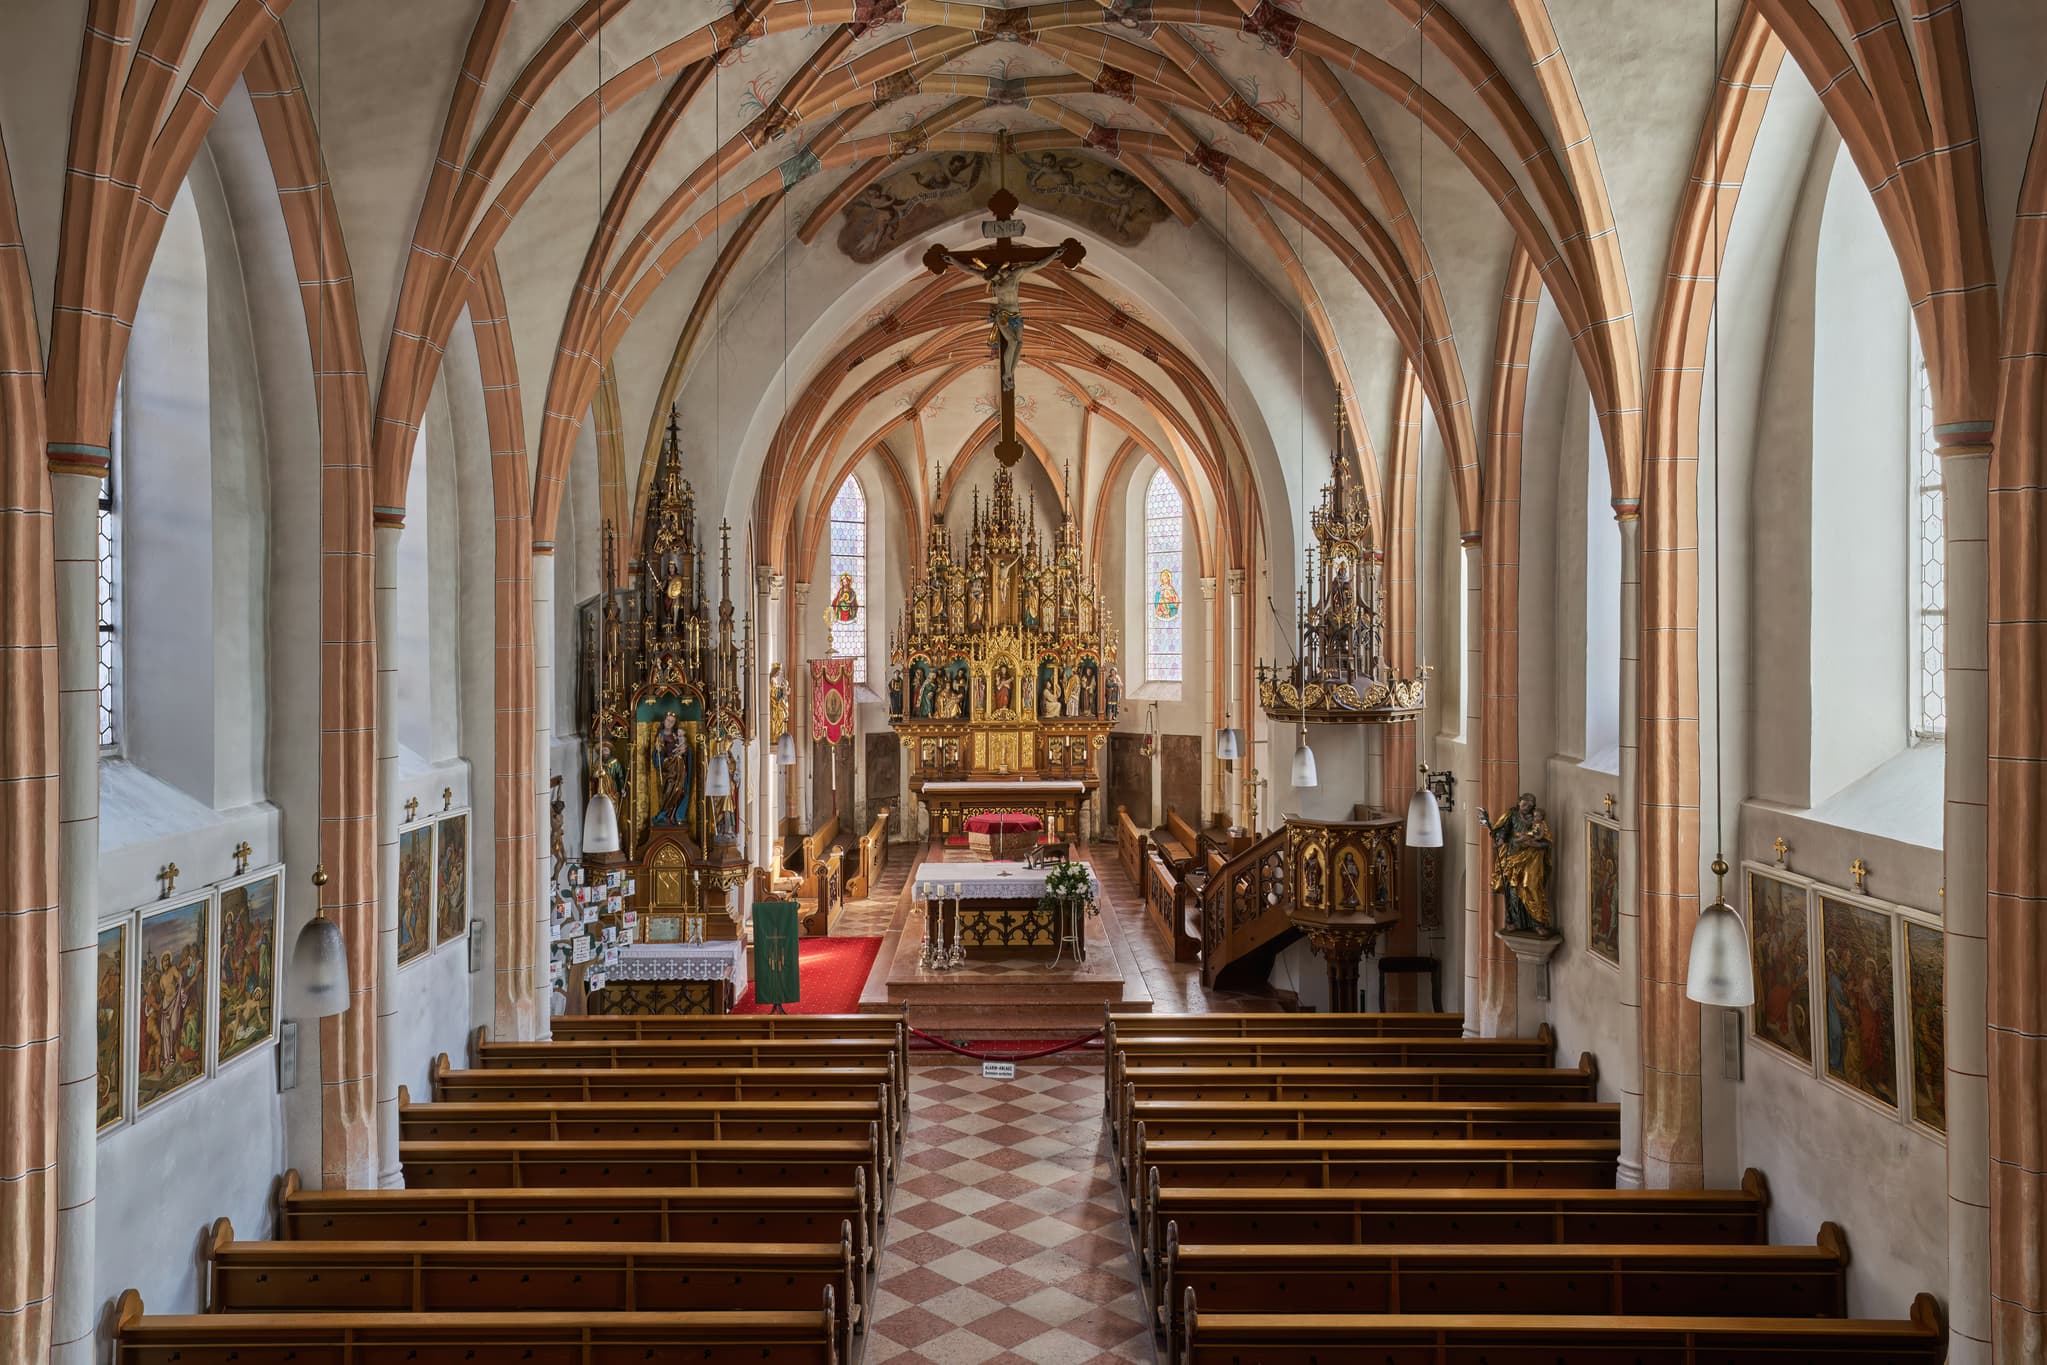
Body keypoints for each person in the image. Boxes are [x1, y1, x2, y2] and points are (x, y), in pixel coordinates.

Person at [1475, 792, 1554, 934]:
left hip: (1531, 858)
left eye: (1530, 806)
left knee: (1532, 888)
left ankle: (1538, 923)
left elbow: (1546, 840)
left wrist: (1534, 844)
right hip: (1513, 857)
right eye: (1524, 804)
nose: (1526, 807)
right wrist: (1498, 839)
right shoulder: (1511, 815)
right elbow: (1502, 831)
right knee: (1512, 891)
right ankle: (1511, 920)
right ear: (1519, 802)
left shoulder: (1537, 820)